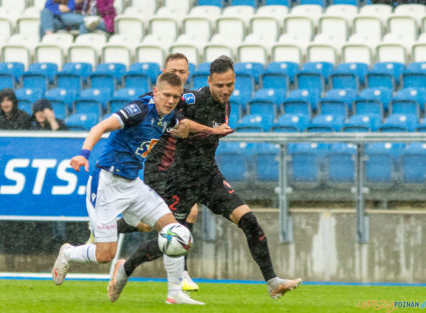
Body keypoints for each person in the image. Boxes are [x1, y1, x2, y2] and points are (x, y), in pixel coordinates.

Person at [109, 56, 302, 303]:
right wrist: (206, 130)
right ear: (209, 81)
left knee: (249, 221)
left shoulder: (226, 105)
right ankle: (126, 267)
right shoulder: (192, 99)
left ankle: (273, 282)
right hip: (181, 179)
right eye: (219, 85)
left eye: (229, 85)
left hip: (209, 177)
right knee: (171, 240)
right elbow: (175, 122)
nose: (225, 90)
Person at [51, 72, 196, 302]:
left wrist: (192, 129)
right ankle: (68, 252)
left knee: (176, 231)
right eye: (167, 95)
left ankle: (175, 293)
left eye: (175, 97)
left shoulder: (168, 116)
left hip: (133, 185)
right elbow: (99, 127)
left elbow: (182, 124)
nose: (170, 100)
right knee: (104, 255)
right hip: (107, 183)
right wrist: (83, 154)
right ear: (156, 92)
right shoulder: (138, 110)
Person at [109, 53, 233, 294]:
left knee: (172, 221)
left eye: (183, 72)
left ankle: (170, 271)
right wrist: (212, 130)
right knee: (164, 224)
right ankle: (114, 239)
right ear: (163, 75)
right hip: (159, 169)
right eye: (173, 71)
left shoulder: (184, 100)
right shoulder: (157, 100)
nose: (179, 75)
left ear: (188, 74)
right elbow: (181, 127)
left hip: (177, 171)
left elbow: (190, 126)